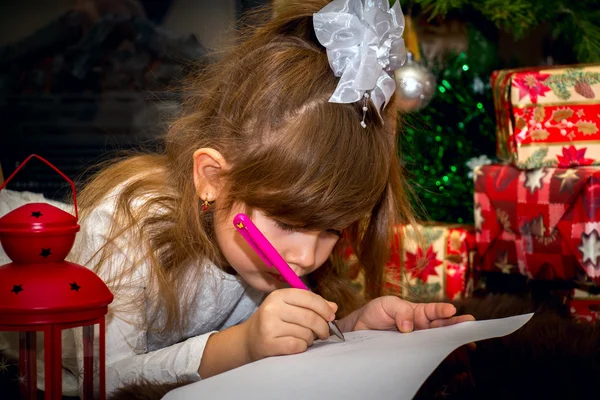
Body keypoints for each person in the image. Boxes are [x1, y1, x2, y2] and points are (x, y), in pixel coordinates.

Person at [5, 0, 475, 396]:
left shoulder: (276, 244)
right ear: (211, 177)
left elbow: (283, 339)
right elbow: (97, 378)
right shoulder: (131, 222)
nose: (308, 255)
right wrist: (242, 345)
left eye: (331, 229)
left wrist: (352, 332)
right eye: (288, 223)